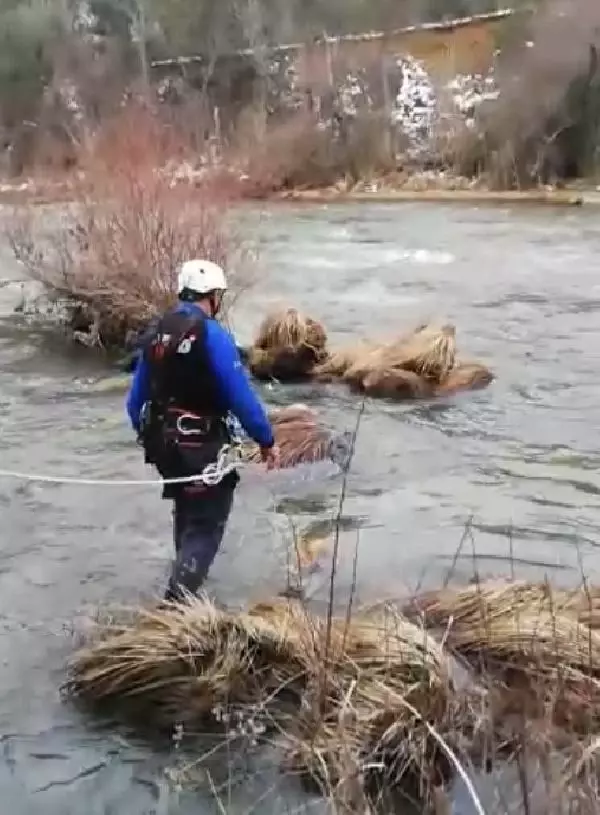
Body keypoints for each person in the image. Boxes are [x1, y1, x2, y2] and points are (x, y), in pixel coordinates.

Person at [126, 258, 280, 601]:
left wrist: (152, 439)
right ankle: (175, 610)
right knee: (206, 527)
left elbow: (134, 403)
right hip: (202, 447)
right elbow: (241, 396)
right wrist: (266, 440)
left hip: (165, 446)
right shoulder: (212, 335)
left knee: (187, 513)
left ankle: (183, 597)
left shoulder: (158, 332)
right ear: (212, 295)